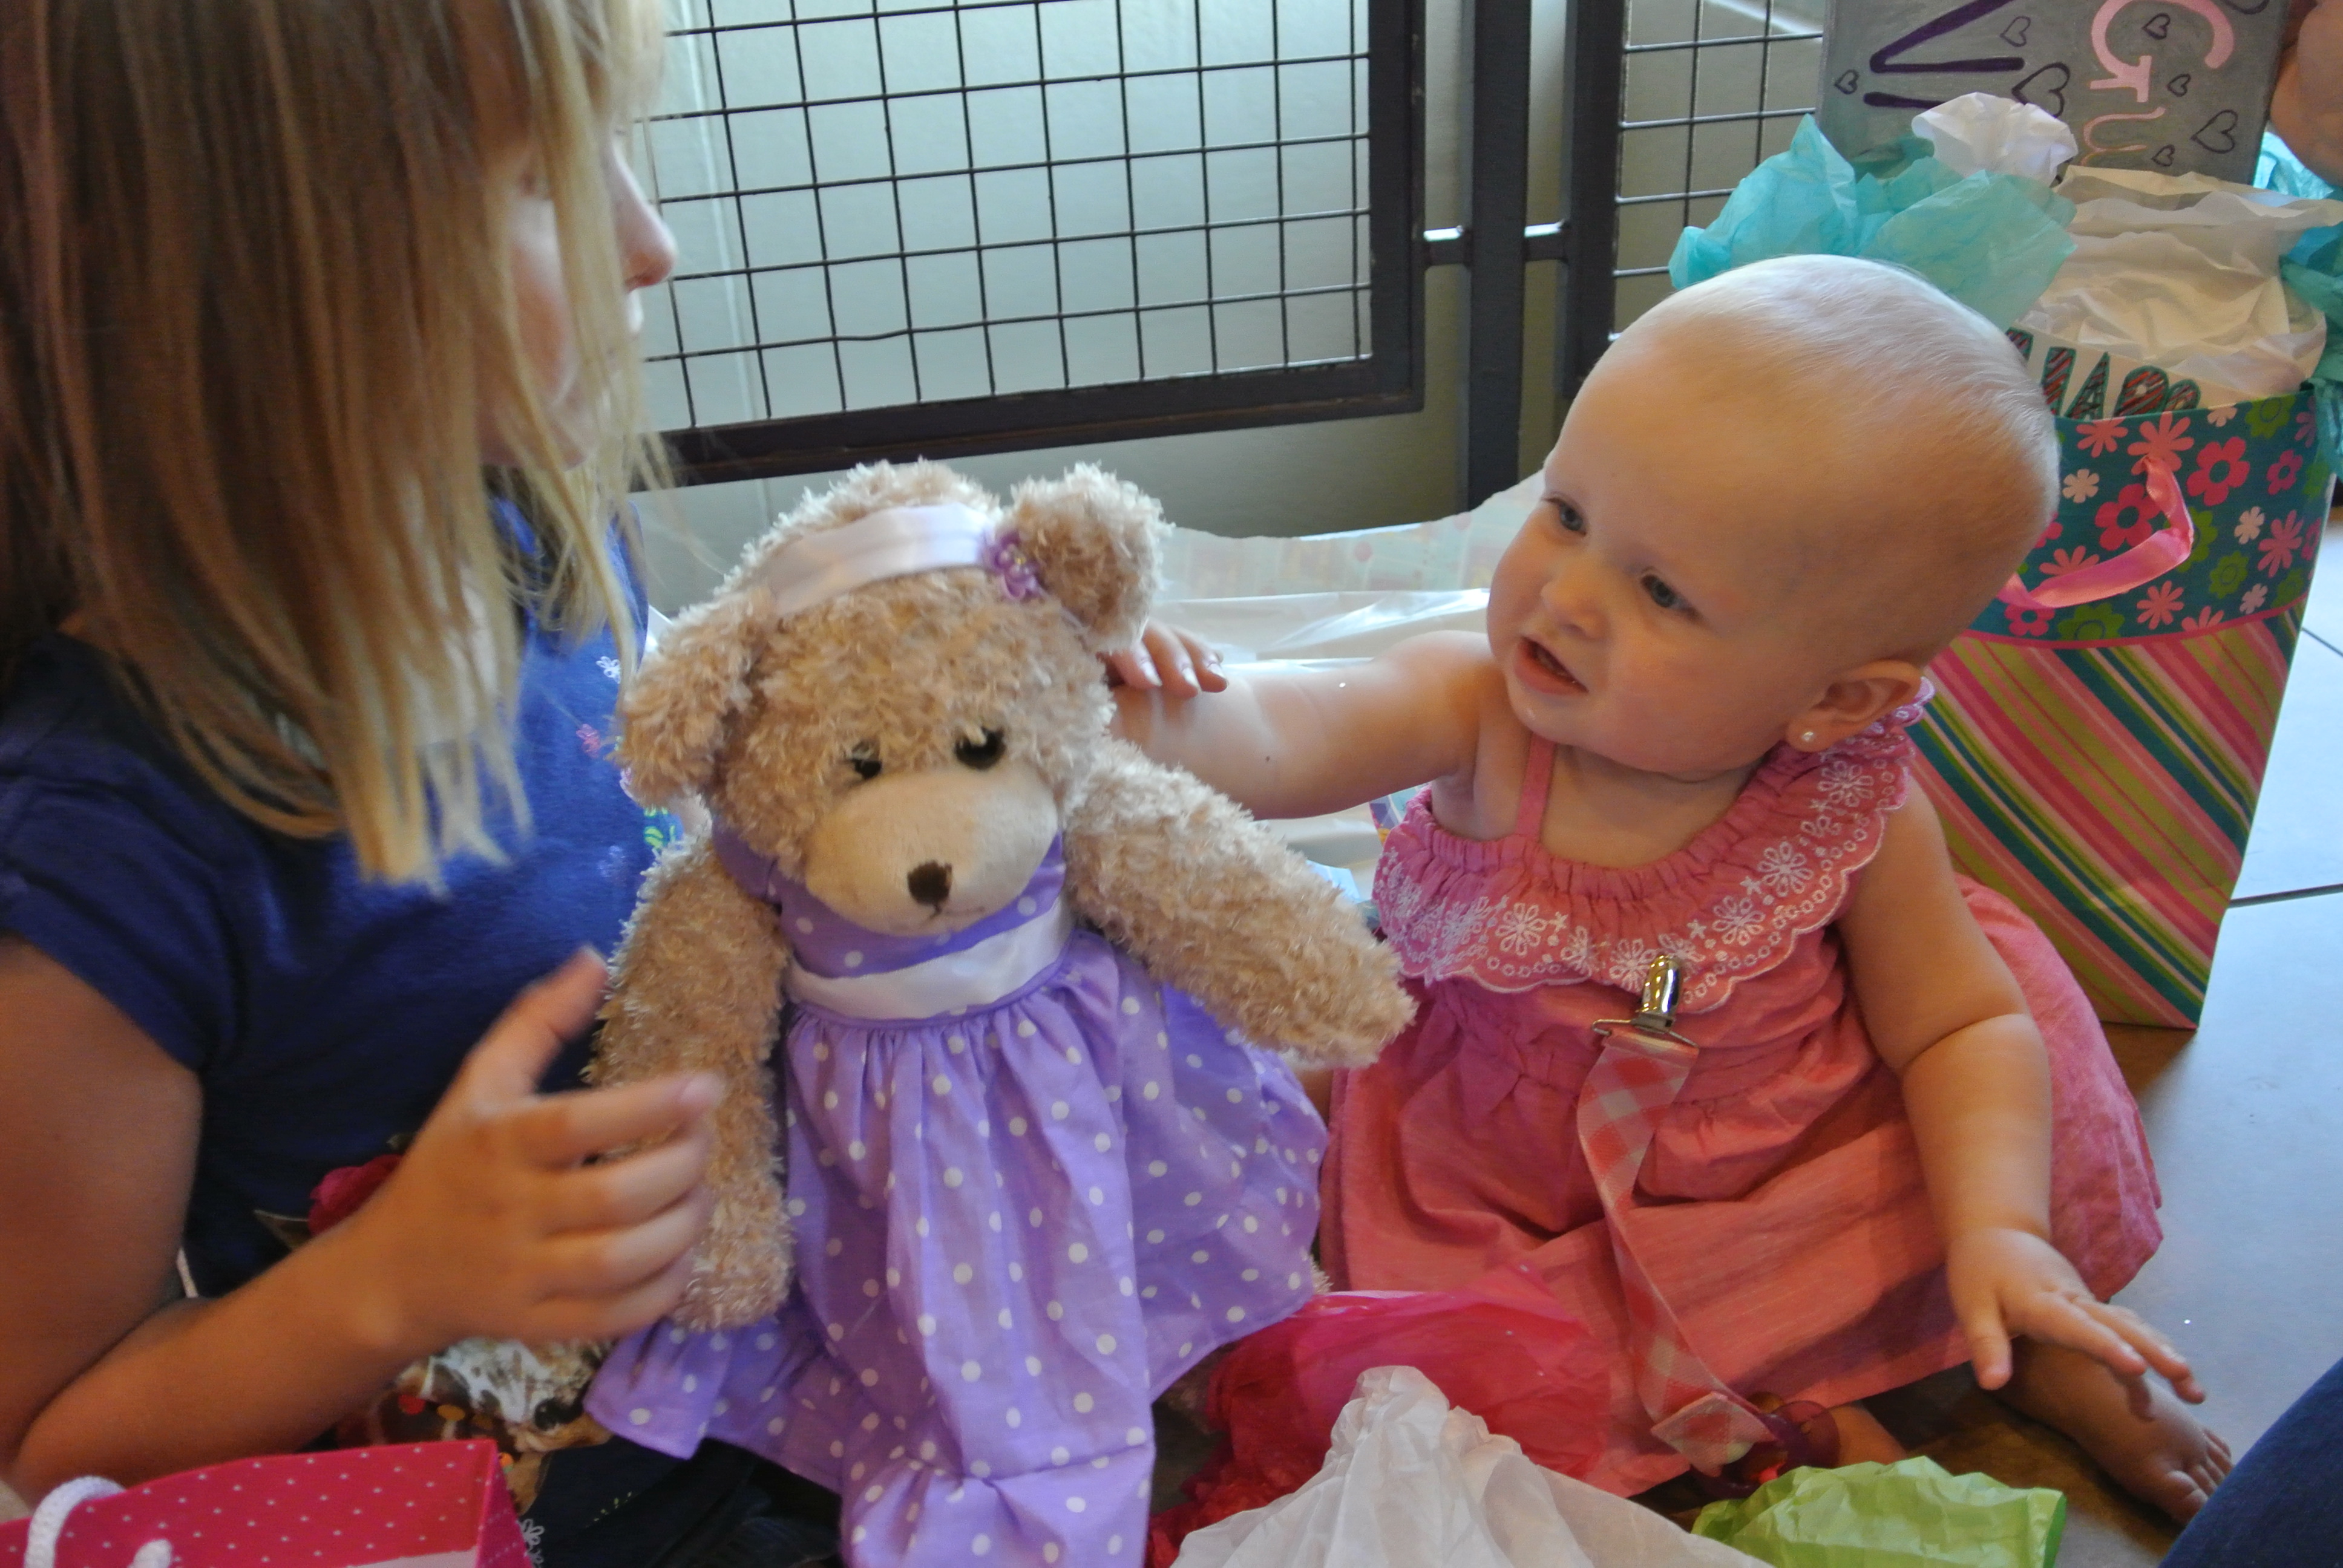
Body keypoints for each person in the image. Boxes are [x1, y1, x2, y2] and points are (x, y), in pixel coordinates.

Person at [1116, 254, 2234, 1521]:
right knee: (1436, 1358)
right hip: (1504, 1168)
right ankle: (1808, 1396)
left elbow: (1957, 1024)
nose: (1564, 597)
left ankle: (2024, 1334)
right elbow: (1287, 733)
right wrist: (1149, 700)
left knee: (1974, 1158)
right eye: (1567, 513)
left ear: (1834, 699)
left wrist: (2003, 1230)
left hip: (1791, 1155)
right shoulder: (1477, 706)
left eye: (1659, 590)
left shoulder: (1848, 806)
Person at [0, 3, 833, 1562]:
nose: (649, 246)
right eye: (538, 179)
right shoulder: (103, 853)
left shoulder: (535, 535)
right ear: (247, 273)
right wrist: (395, 1278)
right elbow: (55, 1439)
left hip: (802, 1377)